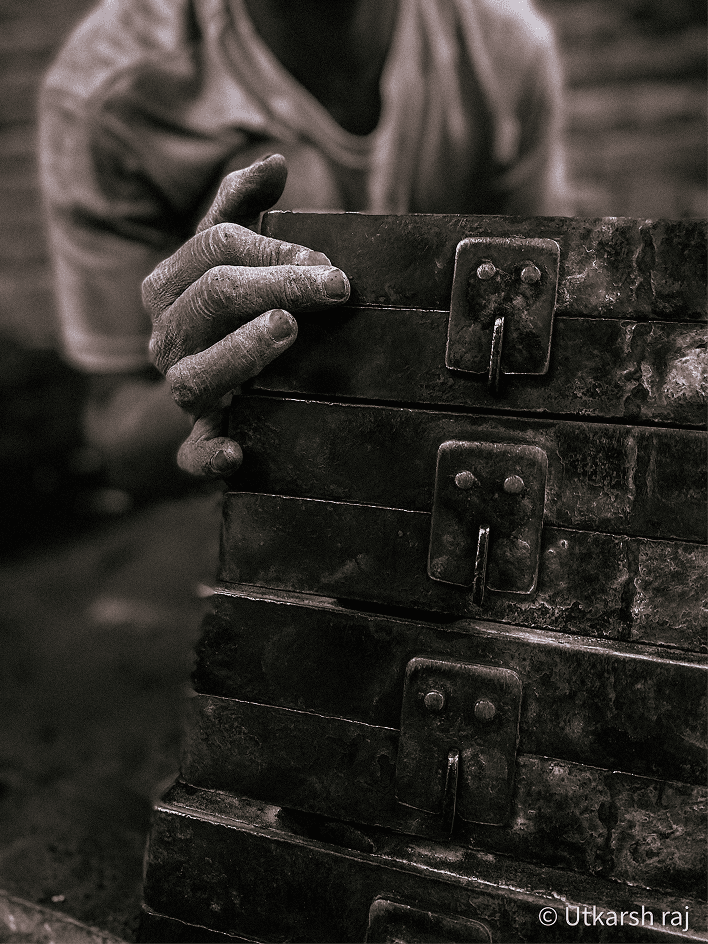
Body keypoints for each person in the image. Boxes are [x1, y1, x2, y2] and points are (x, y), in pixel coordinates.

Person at [39, 0, 570, 494]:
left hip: (446, 465)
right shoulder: (108, 93)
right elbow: (119, 434)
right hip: (245, 499)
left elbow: (546, 322)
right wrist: (216, 385)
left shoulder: (503, 46)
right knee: (290, 194)